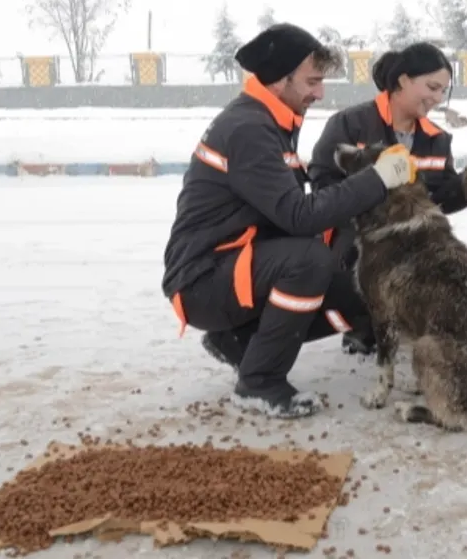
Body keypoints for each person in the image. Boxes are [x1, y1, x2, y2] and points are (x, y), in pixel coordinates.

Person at [160, 23, 416, 419]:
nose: (320, 93)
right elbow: (298, 215)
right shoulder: (248, 129)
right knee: (308, 261)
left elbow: (286, 210)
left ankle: (239, 342)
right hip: (202, 280)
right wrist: (377, 179)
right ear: (280, 79)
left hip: (235, 266)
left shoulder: (271, 120)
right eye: (312, 81)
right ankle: (259, 382)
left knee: (359, 291)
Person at [307, 42, 467, 355]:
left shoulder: (437, 139)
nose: (437, 98)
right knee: (366, 274)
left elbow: (441, 198)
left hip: (413, 242)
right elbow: (323, 181)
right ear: (404, 80)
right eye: (432, 87)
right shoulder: (351, 123)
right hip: (355, 237)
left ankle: (415, 325)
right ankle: (361, 324)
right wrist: (371, 199)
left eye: (442, 91)